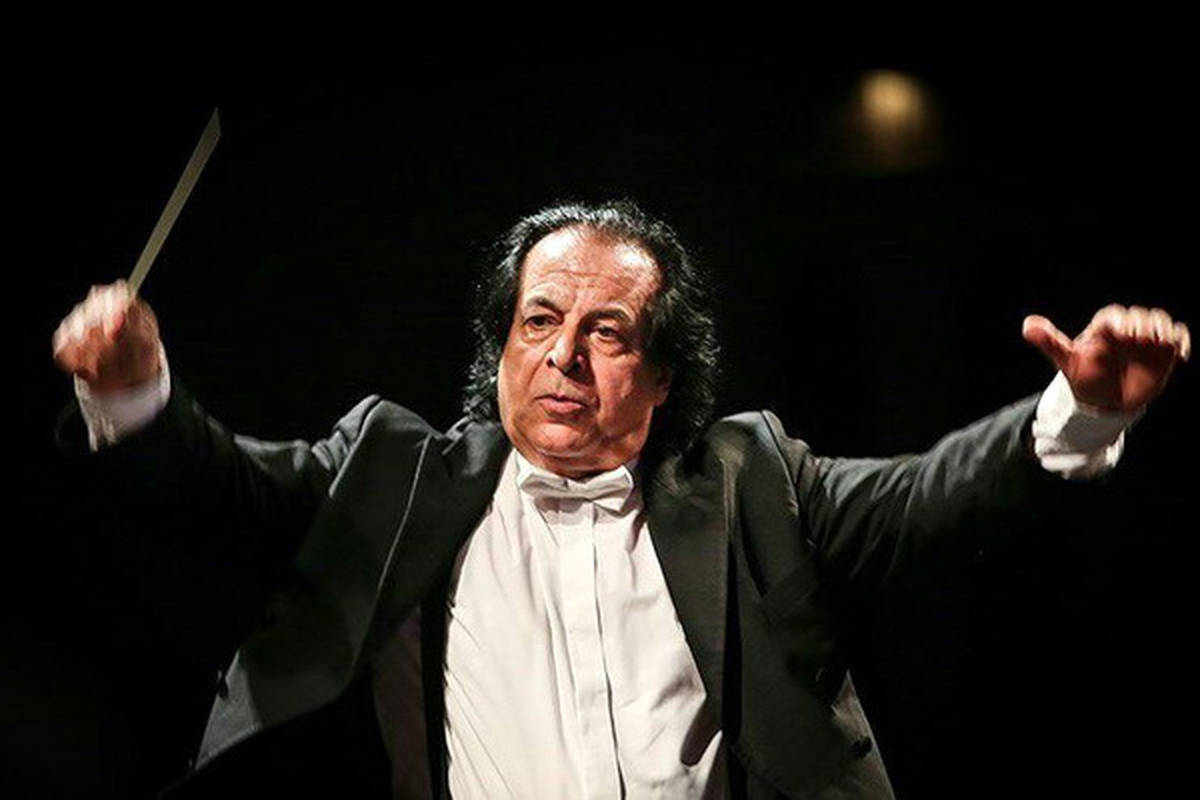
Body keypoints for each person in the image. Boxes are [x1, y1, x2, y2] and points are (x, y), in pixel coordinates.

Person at [53, 201, 1189, 799]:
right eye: (539, 322)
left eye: (606, 331)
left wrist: (1080, 409)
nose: (563, 356)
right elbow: (222, 490)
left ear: (662, 375)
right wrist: (136, 389)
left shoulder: (752, 480)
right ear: (502, 347)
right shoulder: (391, 475)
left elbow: (928, 498)